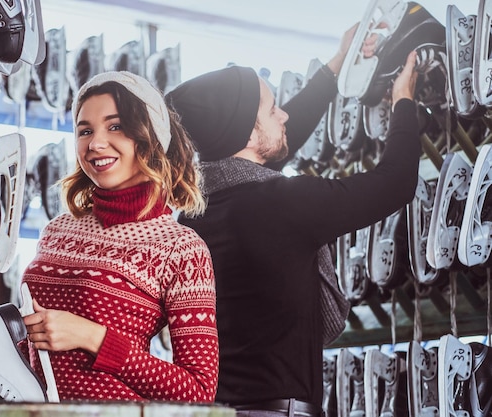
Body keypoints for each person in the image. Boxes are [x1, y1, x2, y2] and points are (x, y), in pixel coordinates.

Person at [164, 24, 421, 414]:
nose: (283, 114)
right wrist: (405, 101)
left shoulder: (192, 220)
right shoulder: (282, 203)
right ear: (246, 135)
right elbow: (395, 184)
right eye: (272, 108)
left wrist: (337, 65)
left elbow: (275, 144)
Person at [20, 71, 219, 402]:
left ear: (149, 136)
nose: (95, 143)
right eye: (85, 131)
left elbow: (197, 391)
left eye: (115, 126)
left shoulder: (181, 249)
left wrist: (94, 337)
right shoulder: (58, 229)